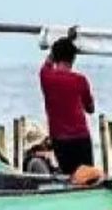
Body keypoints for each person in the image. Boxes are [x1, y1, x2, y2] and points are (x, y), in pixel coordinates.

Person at [39, 33, 97, 175]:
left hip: (60, 140)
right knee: (87, 178)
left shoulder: (45, 76)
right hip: (81, 137)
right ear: (73, 58)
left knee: (69, 178)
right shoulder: (80, 80)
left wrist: (62, 44)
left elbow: (48, 60)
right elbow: (90, 109)